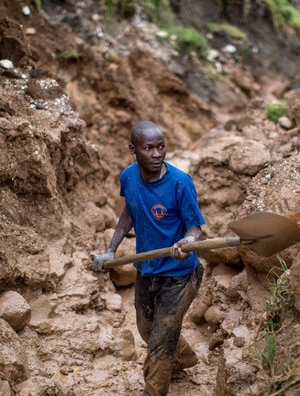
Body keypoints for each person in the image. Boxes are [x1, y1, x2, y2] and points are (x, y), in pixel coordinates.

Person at [91, 120, 206, 395]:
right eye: (149, 148)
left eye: (161, 147)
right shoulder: (128, 177)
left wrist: (187, 242)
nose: (157, 154)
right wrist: (110, 250)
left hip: (180, 275)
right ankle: (185, 358)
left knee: (159, 344)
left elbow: (195, 228)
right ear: (133, 149)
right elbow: (128, 214)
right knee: (146, 329)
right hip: (147, 269)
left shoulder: (180, 182)